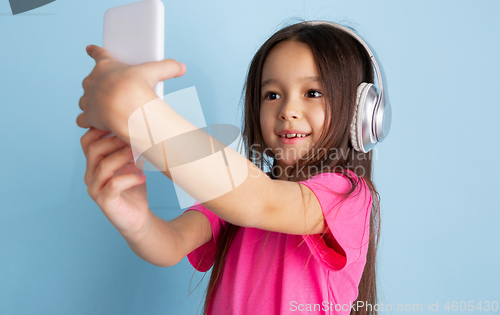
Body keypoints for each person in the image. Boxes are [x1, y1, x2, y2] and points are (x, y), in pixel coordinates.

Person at [77, 20, 382, 315]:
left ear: (361, 114)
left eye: (313, 93)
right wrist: (137, 222)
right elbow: (171, 244)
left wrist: (138, 112)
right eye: (272, 95)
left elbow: (259, 202)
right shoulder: (235, 196)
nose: (288, 110)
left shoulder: (347, 196)